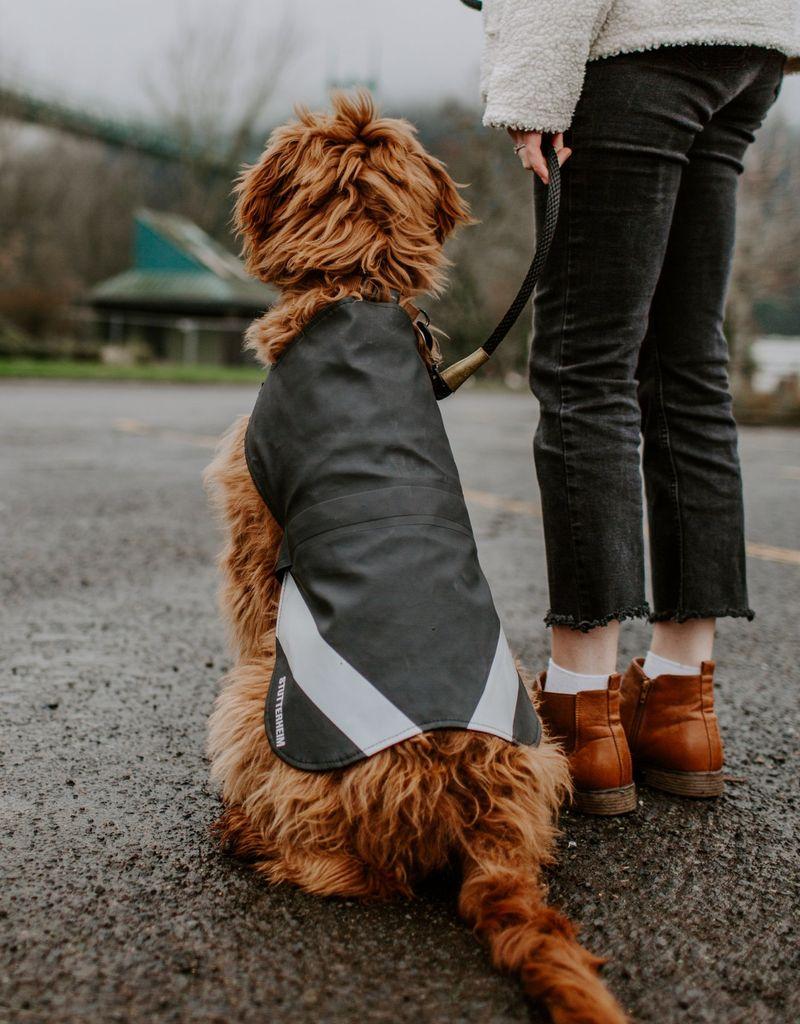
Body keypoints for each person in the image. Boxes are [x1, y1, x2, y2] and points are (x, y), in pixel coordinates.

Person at [479, 0, 799, 813]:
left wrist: (535, 90)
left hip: (634, 48)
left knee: (586, 368)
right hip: (745, 42)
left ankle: (585, 715)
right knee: (689, 369)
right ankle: (679, 703)